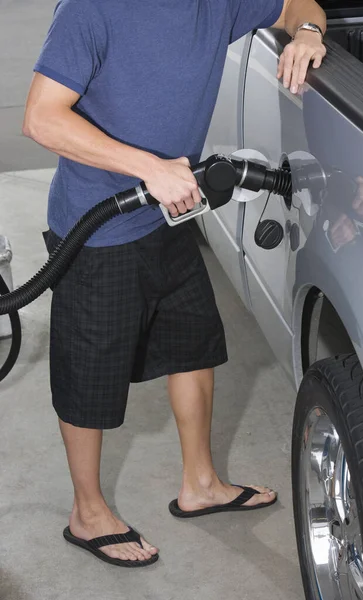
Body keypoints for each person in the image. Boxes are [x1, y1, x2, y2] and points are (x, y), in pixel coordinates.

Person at [23, 0, 327, 568]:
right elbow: (41, 117)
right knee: (89, 375)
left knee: (194, 346)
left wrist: (307, 32)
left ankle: (201, 483)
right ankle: (87, 511)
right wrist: (150, 167)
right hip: (99, 226)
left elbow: (297, 5)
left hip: (169, 214)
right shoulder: (91, 10)